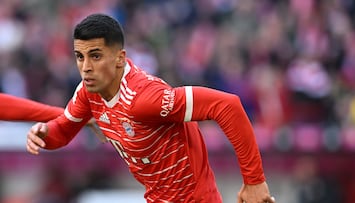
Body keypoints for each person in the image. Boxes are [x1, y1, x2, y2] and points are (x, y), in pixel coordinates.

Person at [26, 13, 275, 203]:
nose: (86, 67)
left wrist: (254, 181)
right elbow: (64, 130)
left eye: (96, 56)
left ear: (120, 58)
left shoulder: (144, 99)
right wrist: (44, 134)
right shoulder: (88, 93)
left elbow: (227, 105)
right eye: (80, 57)